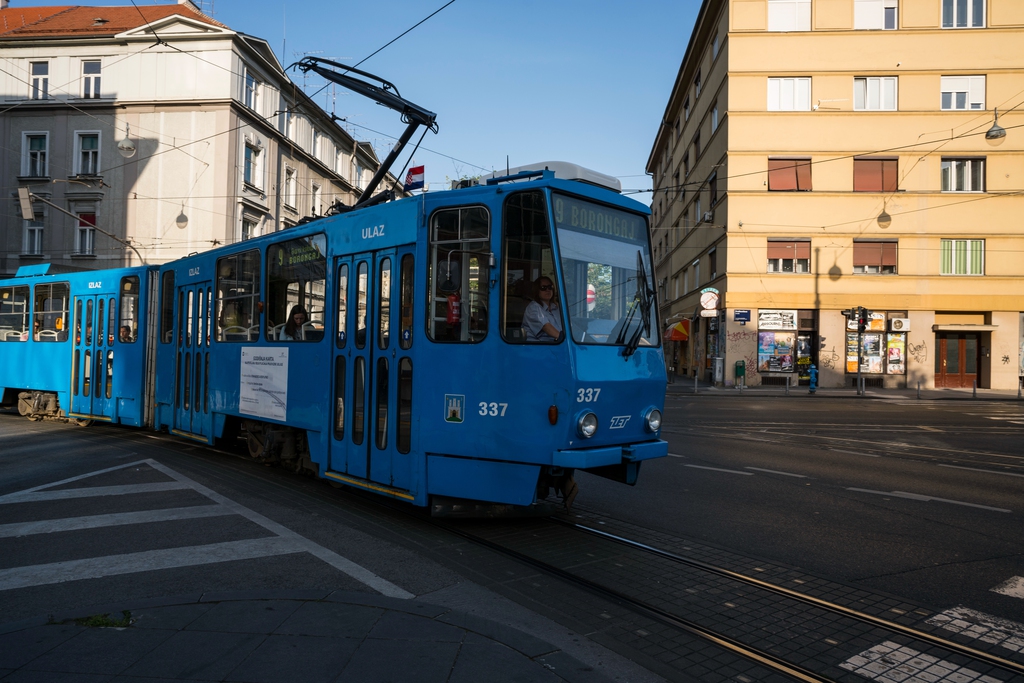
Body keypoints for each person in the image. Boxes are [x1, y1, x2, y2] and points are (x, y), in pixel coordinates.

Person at [523, 276, 562, 342]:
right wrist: (565, 339)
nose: (548, 290)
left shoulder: (556, 307)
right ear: (537, 290)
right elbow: (546, 327)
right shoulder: (533, 307)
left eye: (550, 287)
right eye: (543, 288)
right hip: (538, 347)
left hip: (556, 345)